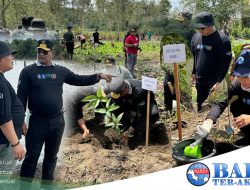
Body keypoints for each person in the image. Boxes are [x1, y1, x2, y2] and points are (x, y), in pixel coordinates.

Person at [17, 39, 113, 180]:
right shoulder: (28, 72)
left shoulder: (60, 71)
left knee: (51, 157)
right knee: (32, 157)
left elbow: (79, 79)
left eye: (45, 51)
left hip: (57, 122)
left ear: (52, 54)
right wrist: (20, 121)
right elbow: (20, 98)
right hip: (37, 122)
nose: (41, 54)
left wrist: (98, 76)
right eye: (39, 51)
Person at [194, 48, 250, 144]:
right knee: (236, 105)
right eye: (239, 75)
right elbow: (220, 103)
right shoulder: (236, 83)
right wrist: (208, 122)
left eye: (245, 77)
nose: (242, 80)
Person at [71, 57, 133, 142]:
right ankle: (99, 121)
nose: (108, 68)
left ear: (114, 64)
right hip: (111, 94)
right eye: (107, 66)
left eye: (110, 66)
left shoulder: (123, 71)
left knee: (121, 108)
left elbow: (131, 82)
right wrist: (85, 129)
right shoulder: (103, 73)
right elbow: (101, 88)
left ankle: (121, 121)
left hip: (124, 93)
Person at [191, 12, 232, 112]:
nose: (199, 30)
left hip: (214, 80)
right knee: (200, 103)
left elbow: (226, 61)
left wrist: (219, 81)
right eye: (198, 28)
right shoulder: (195, 37)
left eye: (202, 28)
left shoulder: (223, 40)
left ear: (210, 25)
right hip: (200, 78)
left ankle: (211, 122)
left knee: (214, 106)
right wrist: (193, 72)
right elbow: (194, 56)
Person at [0, 42, 26, 174]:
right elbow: (3, 119)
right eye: (9, 55)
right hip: (4, 142)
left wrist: (20, 121)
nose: (13, 58)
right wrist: (16, 144)